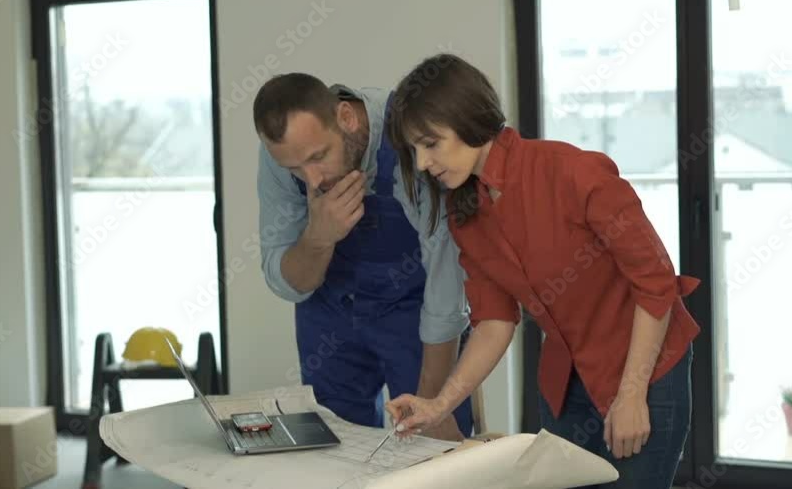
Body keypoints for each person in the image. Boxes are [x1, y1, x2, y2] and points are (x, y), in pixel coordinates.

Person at [383, 54, 701, 488]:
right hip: (565, 384)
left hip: (644, 372)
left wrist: (630, 395)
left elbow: (656, 284)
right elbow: (494, 322)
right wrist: (439, 406)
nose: (421, 163)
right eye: (413, 150)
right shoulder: (466, 214)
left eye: (430, 143)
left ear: (466, 118)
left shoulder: (574, 172)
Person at [253, 73, 476, 440]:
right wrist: (318, 239)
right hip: (329, 311)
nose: (311, 180)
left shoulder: (410, 133)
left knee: (432, 456)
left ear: (347, 118)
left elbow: (447, 281)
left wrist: (436, 401)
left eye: (318, 157)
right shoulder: (282, 152)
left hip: (417, 313)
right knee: (335, 453)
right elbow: (289, 284)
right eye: (295, 168)